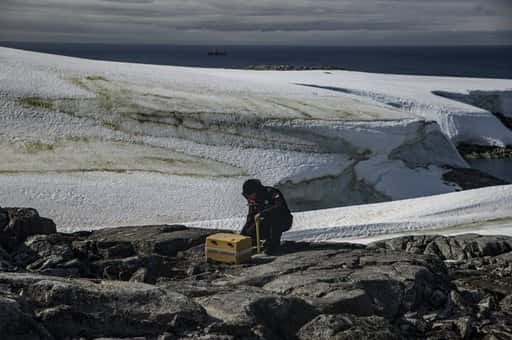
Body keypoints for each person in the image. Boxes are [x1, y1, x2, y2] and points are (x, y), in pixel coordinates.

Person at [240, 179, 293, 255]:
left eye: (250, 194)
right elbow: (251, 217)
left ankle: (273, 246)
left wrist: (262, 213)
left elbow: (279, 206)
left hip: (283, 220)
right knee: (250, 231)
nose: (249, 197)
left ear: (256, 191)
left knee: (275, 220)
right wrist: (243, 236)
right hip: (266, 221)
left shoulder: (271, 192)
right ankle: (257, 243)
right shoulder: (252, 199)